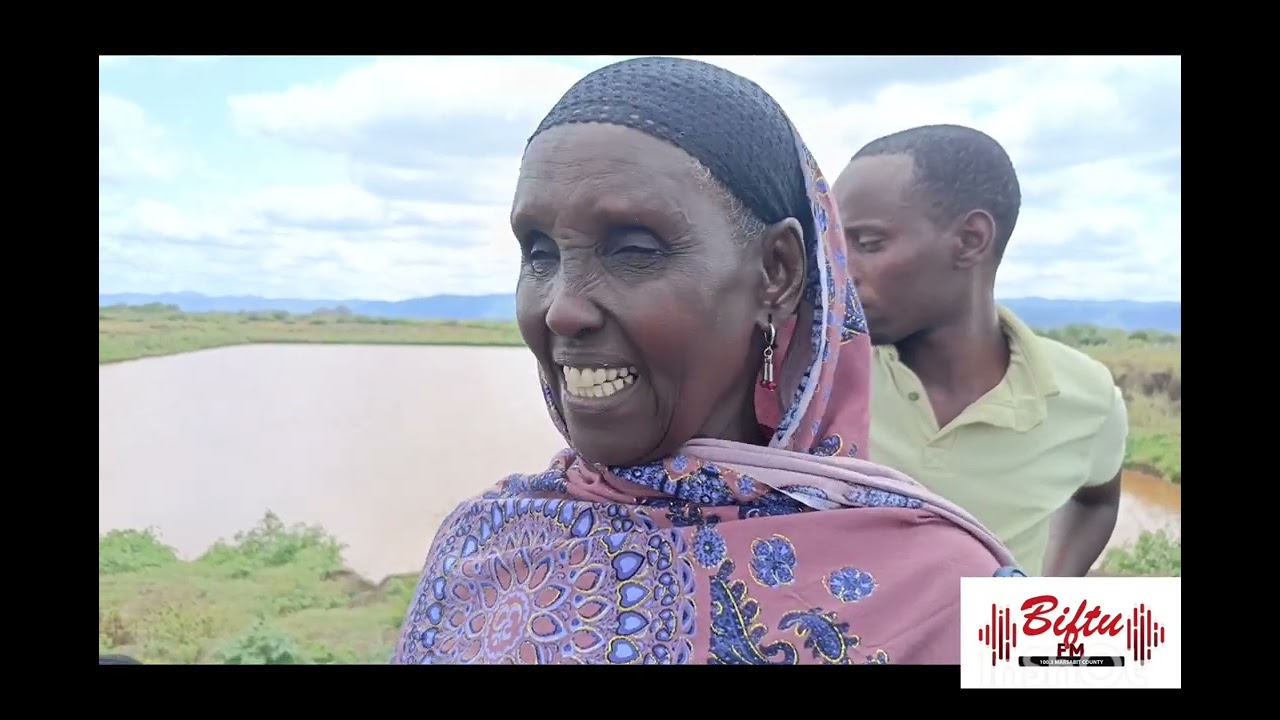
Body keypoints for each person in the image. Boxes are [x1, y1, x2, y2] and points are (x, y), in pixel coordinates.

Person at [392, 58, 1019, 666]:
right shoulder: (483, 544)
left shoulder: (955, 591)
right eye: (539, 252)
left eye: (633, 248)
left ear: (776, 272)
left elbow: (1104, 651)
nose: (561, 310)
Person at [831, 124, 1127, 577]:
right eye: (834, 243)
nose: (838, 270)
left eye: (868, 244)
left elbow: (1098, 500)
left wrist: (1042, 595)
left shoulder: (1087, 396)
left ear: (970, 240)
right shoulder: (817, 375)